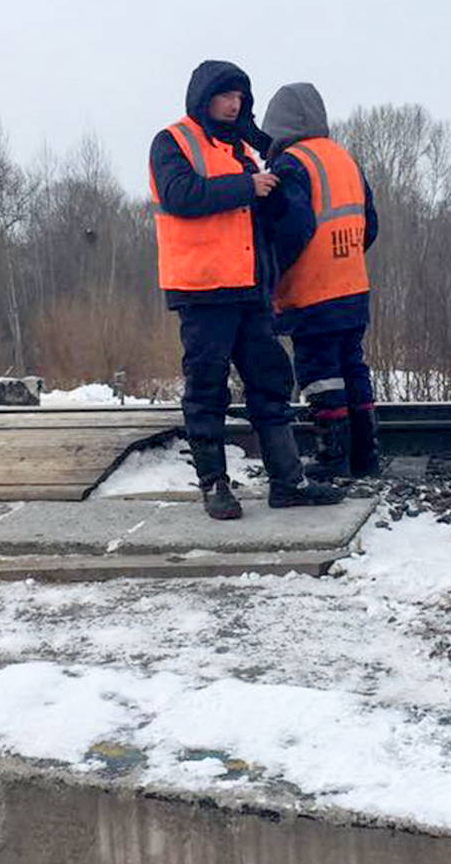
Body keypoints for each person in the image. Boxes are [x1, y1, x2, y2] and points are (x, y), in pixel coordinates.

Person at [149, 60, 345, 520]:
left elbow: (260, 209)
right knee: (207, 390)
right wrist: (248, 185)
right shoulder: (172, 142)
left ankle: (288, 481)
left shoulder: (242, 149)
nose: (234, 103)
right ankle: (214, 485)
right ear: (205, 97)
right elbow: (181, 195)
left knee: (270, 384)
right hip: (202, 291)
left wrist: (274, 190)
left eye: (240, 96)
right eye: (226, 95)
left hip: (248, 290)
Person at [260, 82, 380, 479]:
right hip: (352, 287)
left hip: (313, 292)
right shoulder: (344, 159)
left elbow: (293, 227)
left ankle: (333, 457)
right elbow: (371, 224)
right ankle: (366, 457)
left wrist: (271, 274)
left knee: (319, 373)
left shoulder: (291, 165)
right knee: (352, 367)